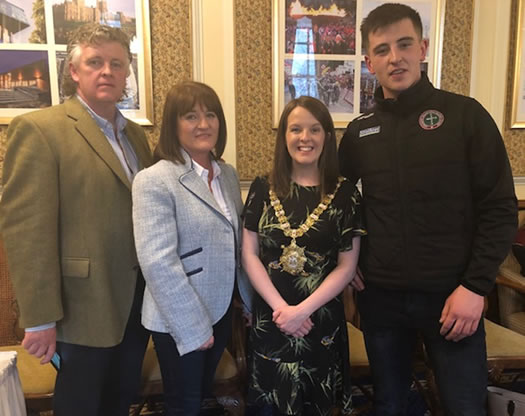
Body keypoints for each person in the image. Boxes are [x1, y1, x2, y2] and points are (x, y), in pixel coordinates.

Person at [338, 4, 518, 415]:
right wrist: (348, 258)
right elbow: (340, 205)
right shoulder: (358, 132)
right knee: (390, 405)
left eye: (404, 45)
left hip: (453, 298)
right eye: (382, 49)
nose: (394, 57)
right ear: (369, 61)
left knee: (463, 406)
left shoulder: (465, 116)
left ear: (422, 48)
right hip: (381, 300)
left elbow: (500, 208)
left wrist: (475, 288)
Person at [0, 23, 153, 415]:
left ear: (126, 71)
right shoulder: (39, 130)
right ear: (74, 71)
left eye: (116, 64)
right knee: (81, 407)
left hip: (136, 303)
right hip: (80, 307)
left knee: (121, 402)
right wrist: (39, 319)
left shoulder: (137, 137)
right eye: (95, 62)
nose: (107, 71)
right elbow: (26, 230)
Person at [132, 81, 253, 416]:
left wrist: (246, 298)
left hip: (221, 308)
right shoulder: (155, 179)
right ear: (173, 124)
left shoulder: (226, 173)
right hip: (178, 317)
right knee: (183, 404)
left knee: (201, 396)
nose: (204, 124)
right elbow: (157, 261)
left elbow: (235, 243)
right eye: (191, 116)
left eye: (211, 114)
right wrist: (192, 326)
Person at [242, 96, 366, 415]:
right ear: (284, 135)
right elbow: (249, 254)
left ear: (327, 135)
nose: (305, 138)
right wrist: (284, 310)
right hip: (273, 318)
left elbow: (346, 265)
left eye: (314, 129)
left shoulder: (346, 193)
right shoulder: (261, 187)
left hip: (319, 322)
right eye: (295, 129)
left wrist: (302, 311)